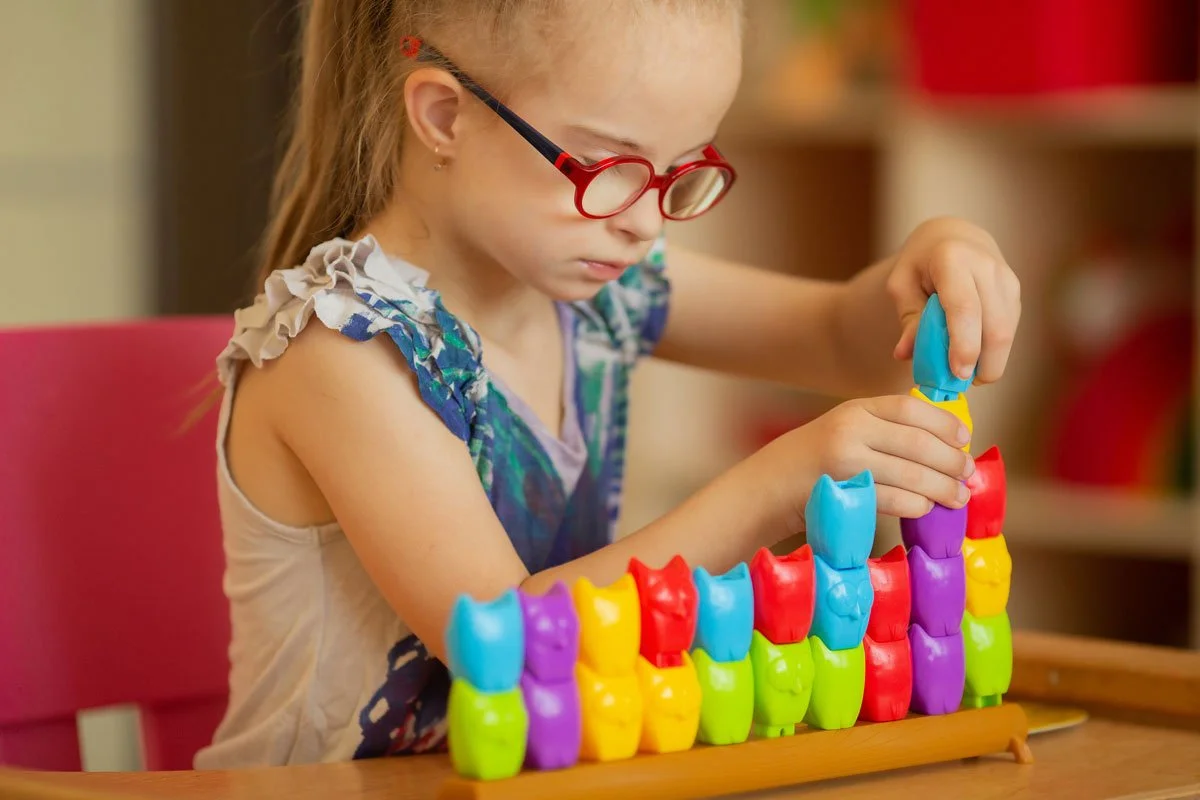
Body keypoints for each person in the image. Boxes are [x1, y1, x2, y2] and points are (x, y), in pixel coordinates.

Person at [194, 0, 1020, 768]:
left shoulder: (595, 290)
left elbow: (841, 339)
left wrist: (944, 252)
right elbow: (512, 644)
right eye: (607, 166)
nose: (645, 221)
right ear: (444, 116)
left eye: (682, 169)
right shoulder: (346, 352)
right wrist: (782, 482)